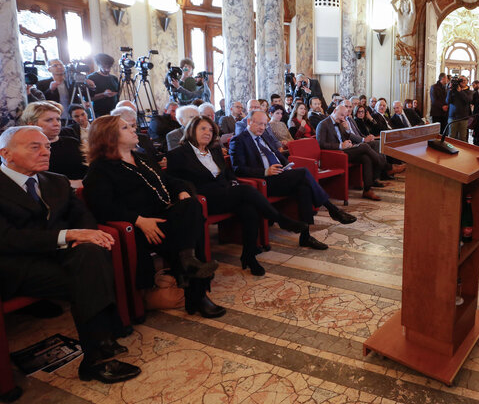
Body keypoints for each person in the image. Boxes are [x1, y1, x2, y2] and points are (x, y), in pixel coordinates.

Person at [0, 126, 142, 385]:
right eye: (35, 147)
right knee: (88, 274)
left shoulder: (56, 181)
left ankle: (98, 354)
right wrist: (70, 235)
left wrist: (87, 236)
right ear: (6, 153)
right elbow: (6, 238)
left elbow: (82, 217)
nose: (45, 152)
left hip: (59, 256)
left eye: (48, 147)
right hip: (14, 263)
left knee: (91, 254)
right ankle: (104, 343)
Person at [84, 115, 225, 319]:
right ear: (109, 137)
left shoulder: (142, 158)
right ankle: (197, 292)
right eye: (126, 128)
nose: (134, 130)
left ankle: (188, 265)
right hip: (140, 229)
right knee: (190, 232)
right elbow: (103, 208)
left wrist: (182, 191)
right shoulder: (100, 170)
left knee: (191, 205)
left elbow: (169, 180)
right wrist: (139, 220)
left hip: (164, 216)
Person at [167, 116, 308, 277]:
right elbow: (172, 180)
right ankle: (281, 220)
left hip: (225, 193)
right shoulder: (178, 154)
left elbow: (228, 173)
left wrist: (233, 183)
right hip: (205, 199)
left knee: (249, 209)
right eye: (203, 129)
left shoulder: (214, 150)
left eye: (211, 130)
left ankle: (249, 256)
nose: (208, 132)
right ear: (191, 130)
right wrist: (182, 191)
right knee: (246, 191)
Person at [229, 110, 356, 247]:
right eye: (259, 124)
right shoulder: (239, 140)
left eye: (265, 124)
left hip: (280, 175)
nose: (262, 128)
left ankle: (305, 236)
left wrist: (287, 166)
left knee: (304, 188)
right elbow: (238, 169)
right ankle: (332, 209)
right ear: (249, 122)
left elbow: (277, 154)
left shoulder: (264, 135)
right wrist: (265, 171)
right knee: (303, 173)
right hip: (264, 181)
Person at [316, 104, 388, 201]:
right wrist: (340, 145)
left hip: (345, 151)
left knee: (365, 157)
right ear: (334, 111)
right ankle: (382, 163)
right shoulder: (323, 124)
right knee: (364, 146)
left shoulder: (341, 122)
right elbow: (321, 144)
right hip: (334, 154)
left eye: (345, 116)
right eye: (341, 115)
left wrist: (347, 131)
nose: (343, 118)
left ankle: (367, 190)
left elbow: (344, 138)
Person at [20, 101, 88, 182]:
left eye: (58, 119)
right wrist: (68, 184)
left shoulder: (72, 142)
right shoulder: (26, 150)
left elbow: (86, 170)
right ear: (32, 125)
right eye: (49, 120)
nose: (57, 124)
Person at [446, 76, 472, 141]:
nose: (463, 81)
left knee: (462, 138)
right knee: (451, 136)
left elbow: (468, 100)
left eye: (464, 80)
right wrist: (450, 89)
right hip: (453, 117)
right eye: (461, 80)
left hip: (464, 118)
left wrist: (460, 91)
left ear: (467, 82)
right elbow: (447, 101)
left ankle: (461, 151)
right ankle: (450, 150)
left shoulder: (470, 91)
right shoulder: (452, 90)